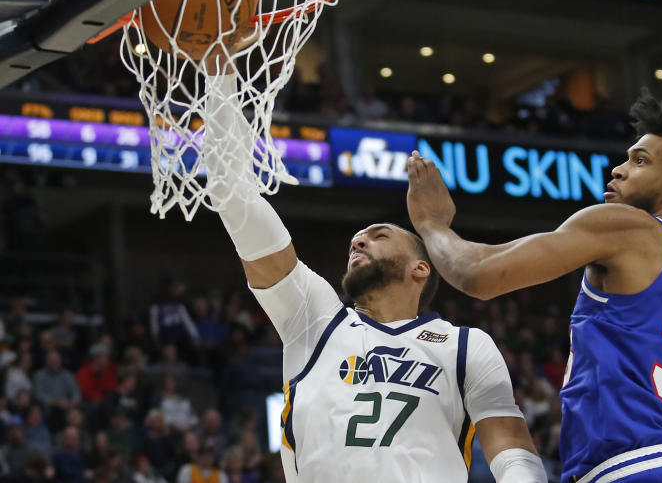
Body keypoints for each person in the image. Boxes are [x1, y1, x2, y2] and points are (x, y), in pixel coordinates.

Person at [406, 79, 662, 483]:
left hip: (624, 470)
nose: (618, 169)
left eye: (640, 161)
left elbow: (479, 274)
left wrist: (432, 225)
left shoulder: (628, 226)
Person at [198, 51, 547, 483]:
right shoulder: (315, 317)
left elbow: (510, 447)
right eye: (357, 238)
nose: (359, 239)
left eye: (380, 235)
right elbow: (234, 197)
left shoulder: (465, 346)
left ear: (421, 269)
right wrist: (219, 71)